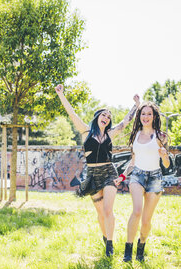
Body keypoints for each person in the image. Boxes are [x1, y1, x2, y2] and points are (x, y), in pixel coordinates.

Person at [55, 84, 139, 257]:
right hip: (93, 175)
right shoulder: (85, 131)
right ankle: (105, 235)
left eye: (109, 116)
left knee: (108, 210)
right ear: (97, 117)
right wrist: (61, 94)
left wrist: (136, 106)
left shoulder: (110, 134)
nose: (107, 118)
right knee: (100, 212)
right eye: (104, 115)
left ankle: (110, 244)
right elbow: (72, 113)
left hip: (109, 173)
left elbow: (125, 122)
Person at [114, 101, 170, 262]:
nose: (146, 116)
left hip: (155, 179)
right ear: (139, 116)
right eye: (143, 113)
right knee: (137, 212)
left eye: (149, 114)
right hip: (137, 176)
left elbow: (166, 164)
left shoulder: (161, 136)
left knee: (146, 220)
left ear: (154, 117)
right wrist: (122, 177)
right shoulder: (136, 135)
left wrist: (164, 155)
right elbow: (133, 162)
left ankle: (140, 249)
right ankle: (127, 251)